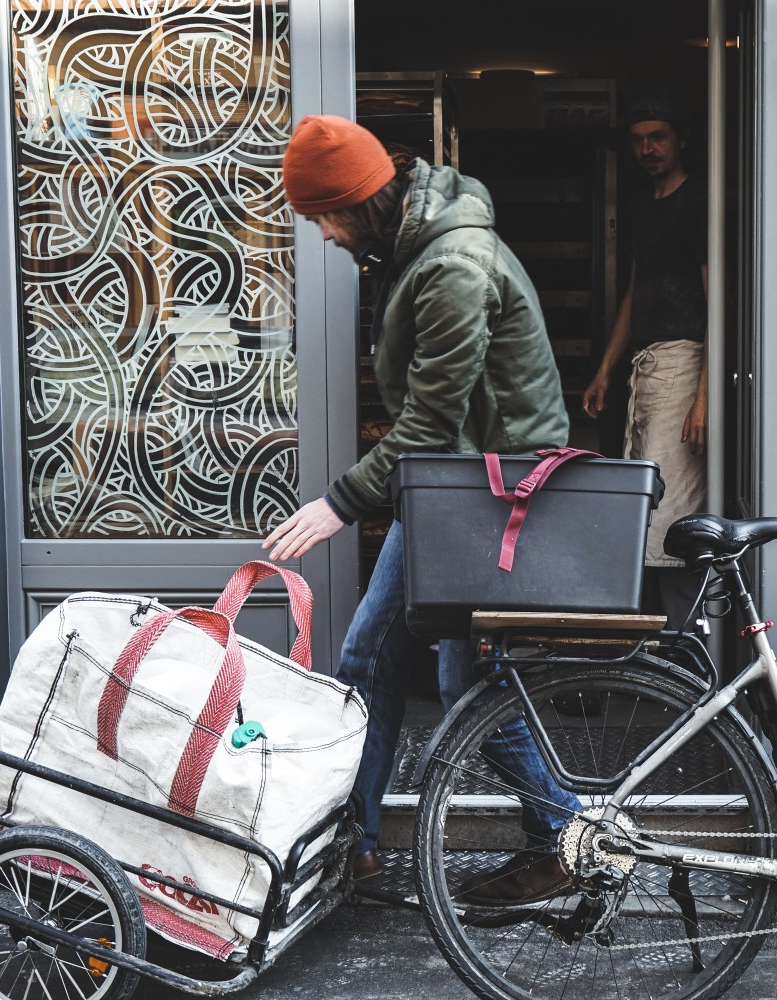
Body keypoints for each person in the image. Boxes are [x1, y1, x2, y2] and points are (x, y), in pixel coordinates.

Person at [264, 115, 581, 906]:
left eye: (324, 218)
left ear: (359, 202)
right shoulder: (408, 251)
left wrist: (340, 503)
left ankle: (564, 836)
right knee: (369, 660)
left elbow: (431, 422)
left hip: (491, 492)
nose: (324, 235)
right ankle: (356, 847)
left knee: (466, 677)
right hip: (451, 484)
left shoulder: (453, 265)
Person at [583, 94, 708, 629]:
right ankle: (655, 645)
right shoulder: (641, 204)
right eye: (637, 139)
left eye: (657, 136)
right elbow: (637, 289)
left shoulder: (698, 200)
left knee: (672, 503)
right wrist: (607, 368)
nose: (647, 148)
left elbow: (716, 299)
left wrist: (705, 399)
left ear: (681, 139)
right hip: (645, 366)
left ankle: (687, 642)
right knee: (644, 502)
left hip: (685, 363)